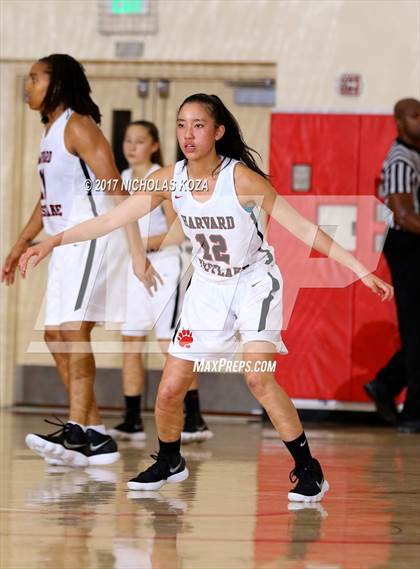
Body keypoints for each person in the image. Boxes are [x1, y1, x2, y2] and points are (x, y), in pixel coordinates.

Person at [19, 93, 393, 502]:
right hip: (208, 287)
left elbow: (305, 230)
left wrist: (360, 269)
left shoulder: (243, 180)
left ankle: (308, 469)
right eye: (181, 124)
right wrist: (51, 241)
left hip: (254, 283)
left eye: (198, 125)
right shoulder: (170, 178)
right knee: (168, 390)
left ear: (217, 132)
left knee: (257, 376)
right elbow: (110, 219)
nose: (188, 134)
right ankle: (169, 460)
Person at [2, 54, 158, 467]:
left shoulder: (78, 125)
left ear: (57, 84)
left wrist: (137, 253)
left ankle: (76, 430)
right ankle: (97, 435)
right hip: (61, 242)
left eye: (35, 78)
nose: (28, 85)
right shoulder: (51, 131)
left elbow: (117, 191)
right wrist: (20, 243)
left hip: (95, 238)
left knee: (73, 333)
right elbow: (46, 199)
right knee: (55, 337)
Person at [108, 120, 213, 443]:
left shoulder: (164, 177)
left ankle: (194, 419)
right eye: (128, 140)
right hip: (134, 268)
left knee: (170, 346)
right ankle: (131, 419)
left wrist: (145, 244)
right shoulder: (122, 180)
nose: (131, 146)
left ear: (154, 145)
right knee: (131, 341)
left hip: (166, 266)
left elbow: (175, 230)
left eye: (140, 141)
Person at [364, 98, 420, 434]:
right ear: (399, 121)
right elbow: (402, 214)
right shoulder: (400, 158)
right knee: (415, 330)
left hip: (414, 241)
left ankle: (386, 383)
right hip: (407, 244)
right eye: (415, 115)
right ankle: (413, 413)